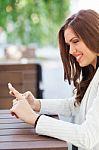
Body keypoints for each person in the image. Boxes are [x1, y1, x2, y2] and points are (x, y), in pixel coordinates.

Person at [8, 9, 99, 150]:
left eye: (75, 41)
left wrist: (33, 118)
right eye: (69, 45)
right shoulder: (92, 71)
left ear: (94, 36)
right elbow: (75, 105)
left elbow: (87, 137)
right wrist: (35, 104)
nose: (70, 51)